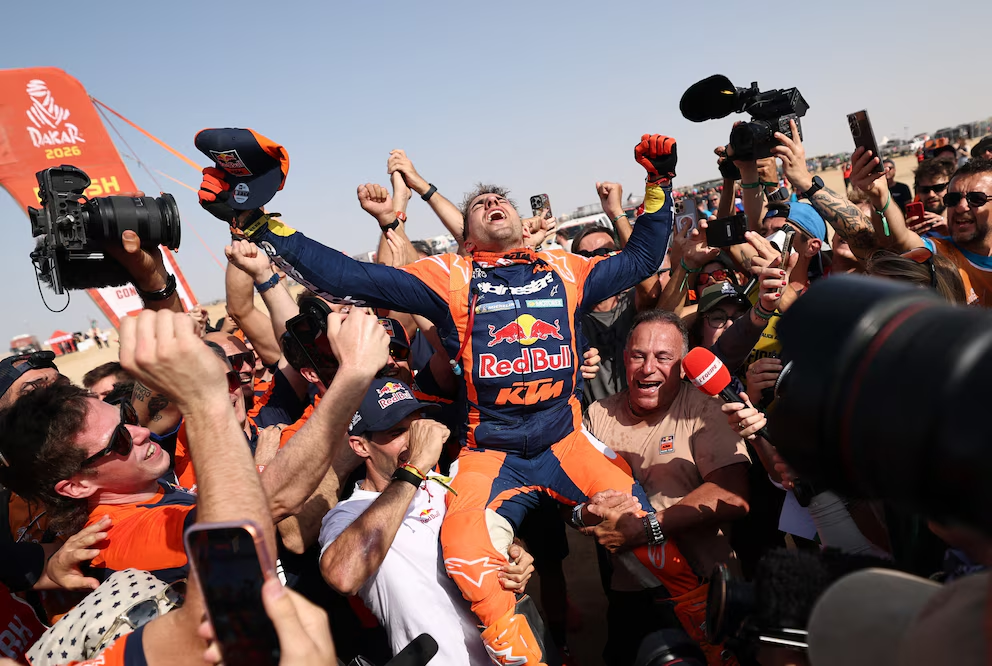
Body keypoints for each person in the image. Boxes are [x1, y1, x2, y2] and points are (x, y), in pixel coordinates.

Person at [200, 130, 678, 664]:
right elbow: (348, 276)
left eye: (500, 199)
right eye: (479, 204)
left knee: (651, 530)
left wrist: (658, 183)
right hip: (491, 455)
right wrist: (260, 225)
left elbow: (643, 257)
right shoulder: (448, 276)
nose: (493, 202)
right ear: (466, 235)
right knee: (467, 557)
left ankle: (706, 637)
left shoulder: (568, 269)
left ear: (520, 222)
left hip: (567, 442)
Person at [0, 308, 388, 587]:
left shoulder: (142, 485)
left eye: (127, 420)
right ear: (76, 485)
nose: (140, 434)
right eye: (119, 440)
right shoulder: (115, 538)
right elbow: (262, 507)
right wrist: (354, 371)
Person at [319, 378, 536, 665]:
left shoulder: (445, 482)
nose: (414, 440)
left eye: (416, 426)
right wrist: (415, 468)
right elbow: (343, 577)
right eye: (397, 432)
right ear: (361, 446)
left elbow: (488, 535)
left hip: (509, 653)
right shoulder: (348, 514)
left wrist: (515, 554)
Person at [583, 309, 751, 666]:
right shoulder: (598, 414)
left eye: (663, 358)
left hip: (704, 589)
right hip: (631, 589)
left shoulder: (706, 408)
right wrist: (587, 515)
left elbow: (733, 495)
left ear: (683, 367)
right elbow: (574, 499)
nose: (648, 368)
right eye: (638, 356)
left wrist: (647, 528)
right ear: (624, 359)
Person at [911, 158, 955, 236]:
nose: (931, 194)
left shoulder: (967, 222)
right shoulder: (913, 230)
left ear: (952, 187)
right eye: (924, 189)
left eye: (938, 188)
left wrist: (953, 231)